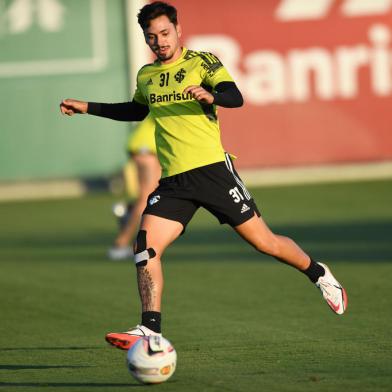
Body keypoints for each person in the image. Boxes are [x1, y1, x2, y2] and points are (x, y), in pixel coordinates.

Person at [60, 1, 348, 350]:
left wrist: (211, 94)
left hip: (213, 172)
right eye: (152, 37)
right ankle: (150, 328)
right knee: (145, 248)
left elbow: (235, 96)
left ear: (178, 30)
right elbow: (136, 109)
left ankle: (319, 274)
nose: (160, 41)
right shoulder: (146, 76)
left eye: (165, 33)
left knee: (265, 242)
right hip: (174, 182)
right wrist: (87, 107)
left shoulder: (202, 62)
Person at [108, 114, 161, 260]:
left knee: (155, 194)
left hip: (148, 147)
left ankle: (127, 210)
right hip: (146, 148)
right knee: (147, 198)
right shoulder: (169, 98)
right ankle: (119, 245)